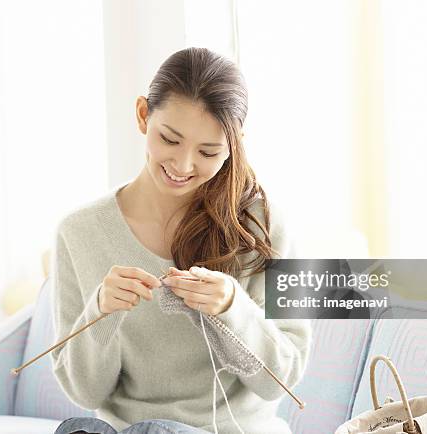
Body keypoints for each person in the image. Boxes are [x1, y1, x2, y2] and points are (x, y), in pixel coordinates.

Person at [51, 47, 312, 434]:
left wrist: (230, 307)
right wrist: (101, 313)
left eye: (208, 152)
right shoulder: (80, 232)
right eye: (170, 140)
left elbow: (282, 379)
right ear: (143, 115)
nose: (183, 165)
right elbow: (85, 393)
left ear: (234, 144)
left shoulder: (262, 225)